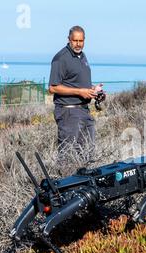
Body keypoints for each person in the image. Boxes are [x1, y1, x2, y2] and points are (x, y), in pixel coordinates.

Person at [49, 25, 104, 162]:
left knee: (87, 155)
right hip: (68, 113)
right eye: (75, 41)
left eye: (81, 41)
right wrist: (80, 92)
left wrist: (93, 90)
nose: (78, 44)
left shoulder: (82, 56)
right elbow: (53, 88)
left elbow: (77, 82)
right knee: (67, 157)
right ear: (69, 39)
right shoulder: (61, 58)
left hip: (84, 111)